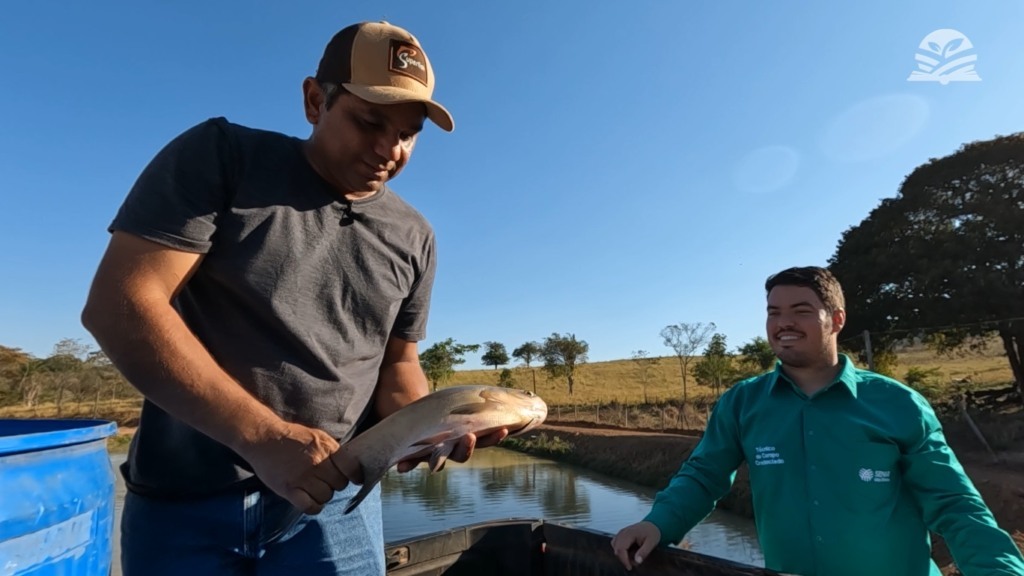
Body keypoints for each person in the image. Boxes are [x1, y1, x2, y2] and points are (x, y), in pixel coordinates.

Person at [81, 20, 507, 576]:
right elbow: (121, 303)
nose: (389, 149)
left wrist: (431, 429)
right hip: (184, 506)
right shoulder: (223, 157)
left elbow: (399, 365)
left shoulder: (415, 235)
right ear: (314, 100)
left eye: (409, 132)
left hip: (335, 510)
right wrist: (262, 438)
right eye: (369, 120)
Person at [611, 266, 1024, 576]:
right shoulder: (743, 403)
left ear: (836, 320)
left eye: (801, 310)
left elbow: (953, 502)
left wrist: (998, 571)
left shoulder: (898, 404)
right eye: (773, 312)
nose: (783, 322)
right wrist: (657, 524)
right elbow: (704, 476)